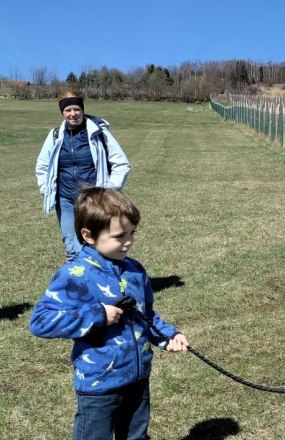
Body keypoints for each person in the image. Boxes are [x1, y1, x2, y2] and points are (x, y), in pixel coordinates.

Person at [29, 187, 188, 440]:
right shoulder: (74, 275)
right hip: (99, 384)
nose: (128, 241)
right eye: (119, 236)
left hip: (137, 377)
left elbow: (146, 314)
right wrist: (98, 315)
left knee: (135, 436)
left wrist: (168, 336)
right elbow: (40, 322)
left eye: (132, 233)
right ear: (88, 235)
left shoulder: (135, 270)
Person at [35, 90, 131, 262]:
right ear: (62, 113)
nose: (73, 114)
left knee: (96, 244)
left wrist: (108, 190)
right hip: (65, 200)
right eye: (68, 110)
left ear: (82, 109)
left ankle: (103, 281)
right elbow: (42, 165)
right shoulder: (55, 135)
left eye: (76, 109)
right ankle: (79, 285)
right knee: (71, 246)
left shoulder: (98, 133)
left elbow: (121, 163)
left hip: (91, 201)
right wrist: (45, 188)